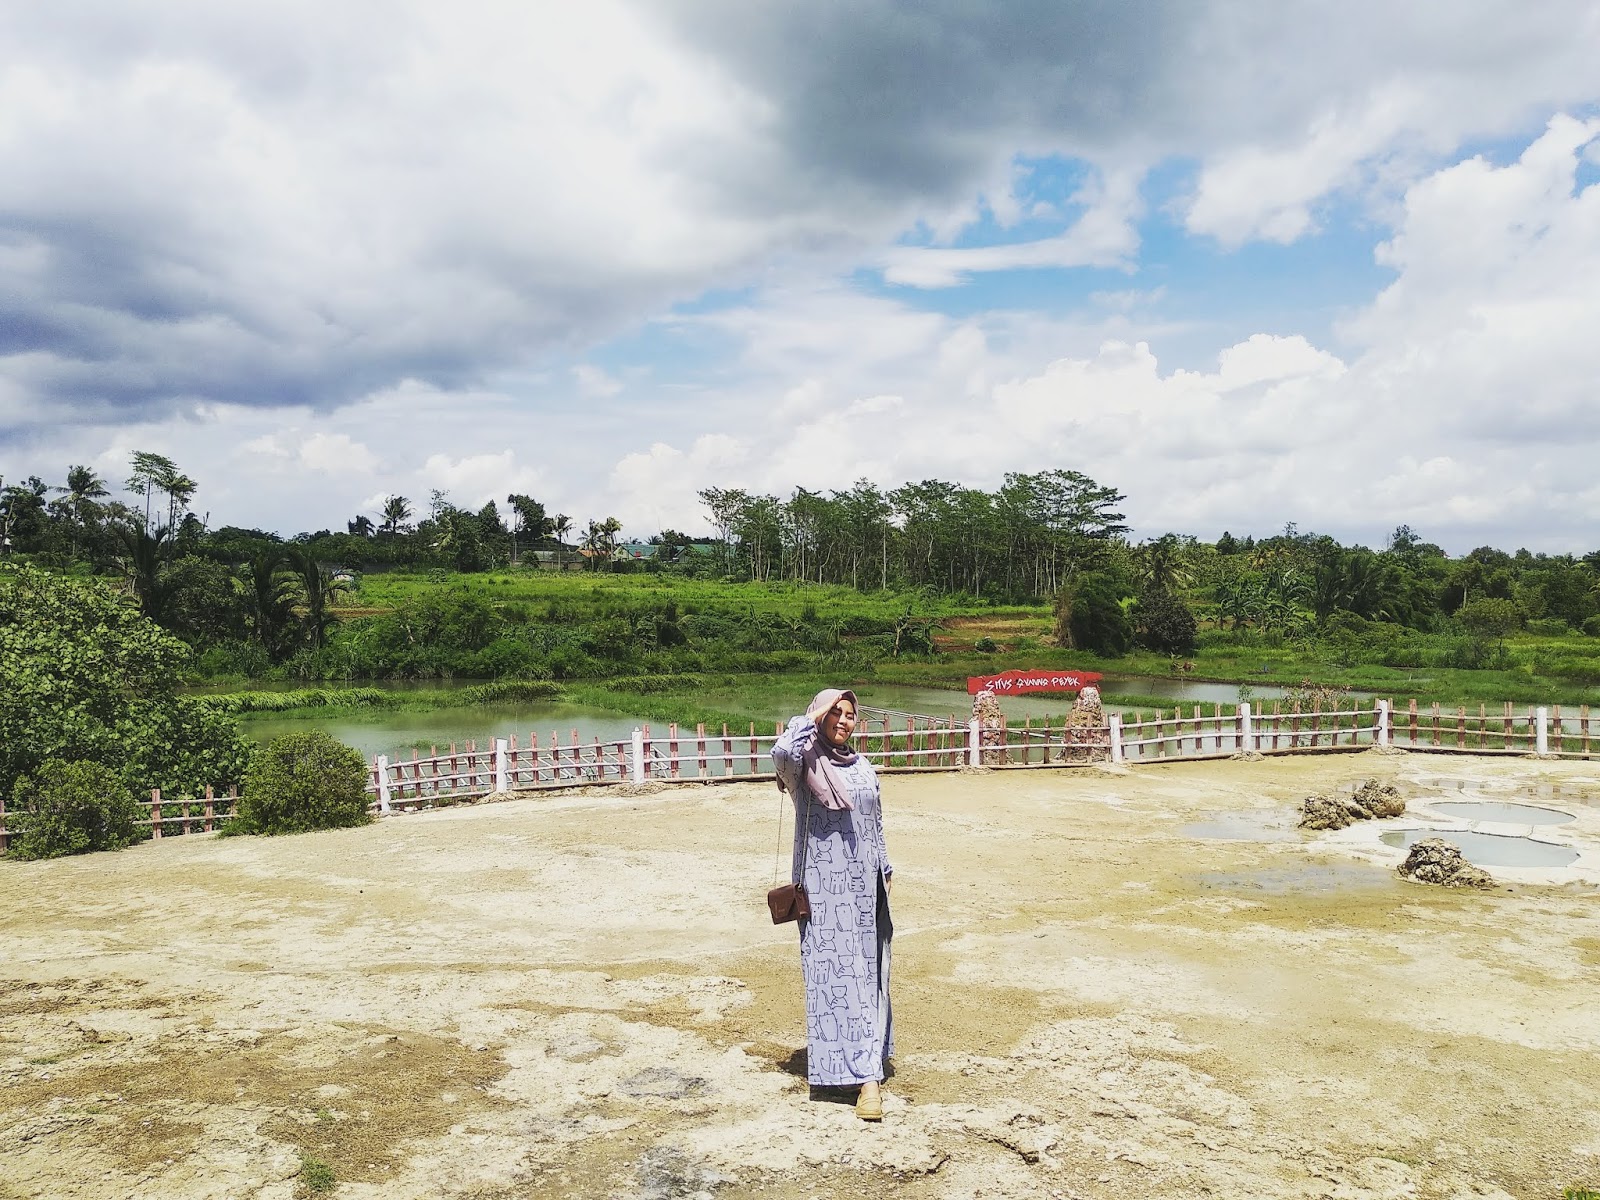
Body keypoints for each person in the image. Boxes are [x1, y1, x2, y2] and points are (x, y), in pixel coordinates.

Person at [771, 688, 894, 1121]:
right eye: (835, 712)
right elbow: (781, 749)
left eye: (850, 714)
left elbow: (875, 820)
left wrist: (886, 867)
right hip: (823, 891)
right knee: (836, 978)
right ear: (820, 715)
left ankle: (865, 1064)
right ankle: (865, 1079)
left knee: (868, 975)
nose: (843, 720)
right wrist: (814, 713)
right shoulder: (802, 766)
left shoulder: (862, 766)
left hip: (866, 886)